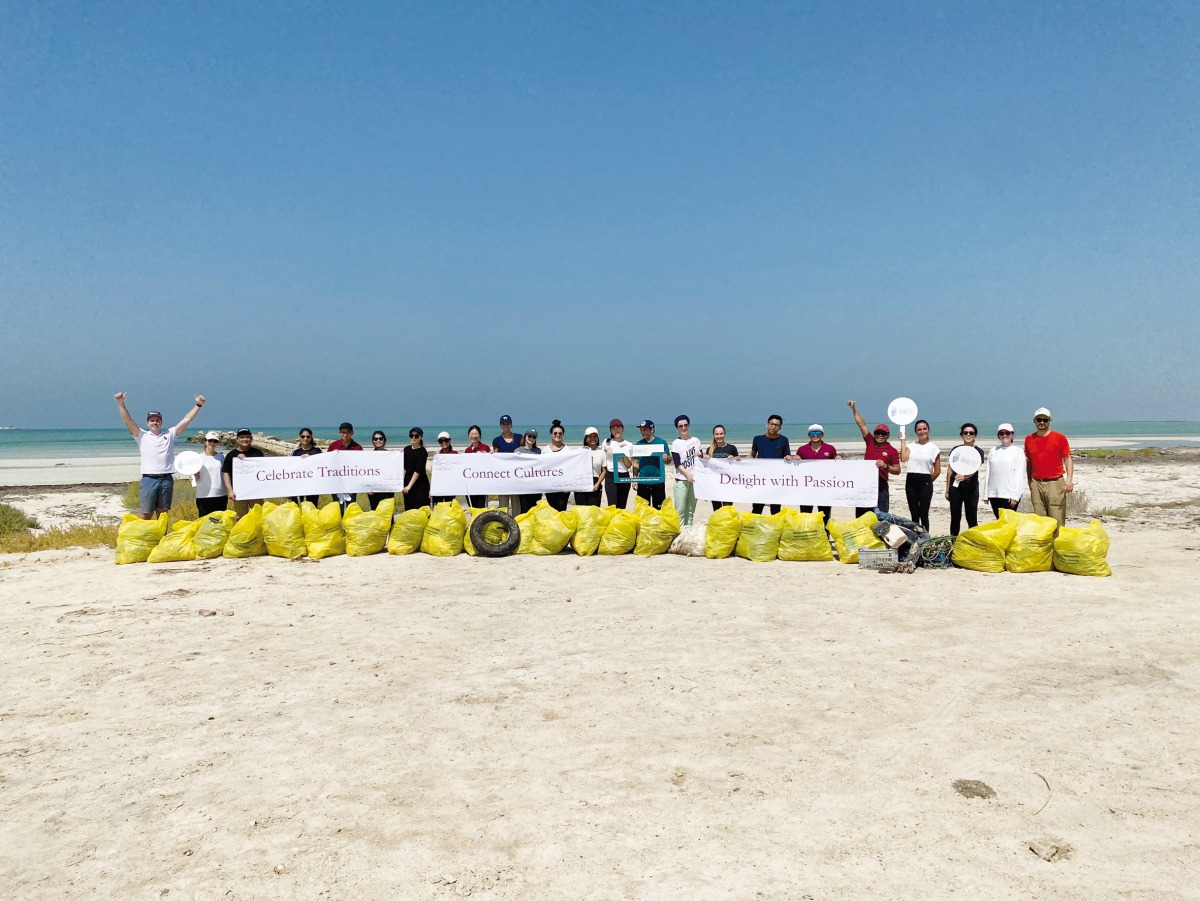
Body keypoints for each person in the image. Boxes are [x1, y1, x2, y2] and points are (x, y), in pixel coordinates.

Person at [114, 391, 207, 519]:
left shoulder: (169, 434)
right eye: (152, 420)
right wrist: (120, 403)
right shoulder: (141, 435)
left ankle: (161, 538)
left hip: (166, 479)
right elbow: (128, 420)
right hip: (148, 479)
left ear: (161, 422)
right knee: (146, 513)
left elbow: (186, 420)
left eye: (157, 420)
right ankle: (146, 538)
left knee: (162, 513)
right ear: (147, 423)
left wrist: (198, 405)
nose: (154, 422)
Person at [848, 401, 901, 517]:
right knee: (862, 517)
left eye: (883, 433)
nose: (880, 435)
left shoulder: (891, 450)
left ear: (888, 435)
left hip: (881, 487)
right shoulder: (870, 442)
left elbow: (897, 470)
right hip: (865, 484)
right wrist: (854, 409)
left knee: (881, 517)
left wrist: (886, 466)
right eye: (878, 433)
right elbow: (862, 425)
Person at [1024, 407, 1073, 527]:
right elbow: (1029, 461)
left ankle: (1057, 543)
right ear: (1034, 421)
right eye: (1039, 419)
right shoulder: (1029, 439)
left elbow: (1067, 459)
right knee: (1040, 519)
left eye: (1045, 420)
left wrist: (1069, 480)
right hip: (1036, 483)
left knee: (1057, 519)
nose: (1042, 422)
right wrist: (1030, 481)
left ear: (1050, 421)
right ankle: (1044, 545)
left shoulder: (1059, 438)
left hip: (1055, 483)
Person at [899, 419, 940, 531]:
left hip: (925, 481)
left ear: (928, 430)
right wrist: (903, 441)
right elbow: (903, 458)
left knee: (924, 513)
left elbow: (937, 471)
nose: (922, 431)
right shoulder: (911, 446)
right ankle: (916, 538)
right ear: (916, 432)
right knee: (914, 514)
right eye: (919, 429)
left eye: (924, 429)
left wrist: (928, 481)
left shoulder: (934, 448)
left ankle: (926, 537)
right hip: (911, 481)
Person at [946, 423, 985, 536]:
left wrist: (965, 477)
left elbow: (975, 469)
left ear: (975, 436)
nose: (968, 435)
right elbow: (949, 470)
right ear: (961, 435)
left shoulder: (979, 451)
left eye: (971, 433)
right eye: (965, 433)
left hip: (971, 488)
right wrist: (947, 490)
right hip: (955, 488)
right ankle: (953, 541)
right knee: (955, 516)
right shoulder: (956, 450)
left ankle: (974, 542)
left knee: (971, 516)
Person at [793, 423, 837, 523]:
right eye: (812, 433)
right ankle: (805, 537)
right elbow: (796, 468)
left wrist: (838, 459)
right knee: (805, 515)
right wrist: (794, 459)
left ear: (822, 435)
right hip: (806, 488)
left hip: (824, 487)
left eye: (818, 433)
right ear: (809, 435)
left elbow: (836, 466)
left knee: (825, 515)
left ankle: (825, 537)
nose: (815, 435)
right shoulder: (802, 449)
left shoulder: (830, 448)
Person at [221, 428, 265, 518]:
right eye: (241, 437)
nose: (244, 439)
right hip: (239, 492)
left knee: (258, 516)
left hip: (255, 491)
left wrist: (247, 460)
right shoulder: (230, 455)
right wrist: (230, 490)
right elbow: (226, 473)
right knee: (242, 517)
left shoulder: (258, 453)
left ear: (251, 439)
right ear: (237, 439)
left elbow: (264, 470)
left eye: (247, 437)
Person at [750, 414, 790, 515]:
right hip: (760, 479)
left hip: (776, 480)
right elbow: (752, 455)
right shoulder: (758, 439)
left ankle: (775, 530)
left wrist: (791, 458)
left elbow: (787, 456)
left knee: (776, 509)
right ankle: (755, 529)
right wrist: (738, 460)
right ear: (767, 424)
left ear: (780, 427)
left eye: (777, 425)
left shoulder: (784, 440)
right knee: (757, 508)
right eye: (772, 424)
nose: (774, 427)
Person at [986, 423, 1024, 518]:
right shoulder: (993, 450)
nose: (1004, 435)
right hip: (994, 494)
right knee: (999, 521)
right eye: (1001, 433)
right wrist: (985, 494)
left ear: (1012, 435)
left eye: (1007, 433)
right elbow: (988, 473)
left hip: (1009, 494)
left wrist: (1015, 495)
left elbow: (1019, 475)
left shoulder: (1018, 451)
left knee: (1008, 522)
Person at [670, 415, 702, 525]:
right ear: (677, 428)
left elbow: (701, 459)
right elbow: (677, 463)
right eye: (680, 426)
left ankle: (688, 534)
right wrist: (687, 474)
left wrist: (701, 454)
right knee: (680, 511)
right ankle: (680, 534)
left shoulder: (696, 441)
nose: (683, 428)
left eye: (685, 425)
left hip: (695, 480)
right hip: (681, 480)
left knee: (690, 510)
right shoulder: (676, 443)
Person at [632, 420, 669, 510]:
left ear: (652, 429)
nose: (642, 432)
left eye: (645, 429)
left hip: (658, 482)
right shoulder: (639, 444)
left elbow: (668, 461)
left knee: (659, 511)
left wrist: (666, 458)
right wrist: (634, 479)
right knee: (643, 512)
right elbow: (636, 462)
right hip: (643, 482)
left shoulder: (662, 442)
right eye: (641, 430)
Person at [326, 422, 363, 512]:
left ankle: (349, 525)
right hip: (336, 481)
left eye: (348, 432)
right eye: (343, 432)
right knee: (337, 506)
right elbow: (327, 463)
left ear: (352, 433)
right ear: (340, 433)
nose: (345, 434)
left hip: (352, 482)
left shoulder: (358, 447)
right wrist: (332, 455)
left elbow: (361, 465)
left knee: (351, 506)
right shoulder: (333, 446)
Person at [705, 424, 740, 511]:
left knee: (727, 509)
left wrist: (734, 458)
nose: (719, 436)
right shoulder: (709, 449)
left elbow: (738, 464)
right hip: (714, 485)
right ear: (714, 435)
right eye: (717, 434)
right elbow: (706, 467)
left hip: (728, 484)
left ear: (725, 434)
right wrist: (703, 457)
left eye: (721, 434)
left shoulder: (732, 448)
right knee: (716, 510)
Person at [193, 431, 227, 518]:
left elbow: (226, 473)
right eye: (210, 440)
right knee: (205, 522)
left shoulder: (221, 457)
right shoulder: (198, 457)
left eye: (215, 441)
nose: (212, 443)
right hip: (204, 495)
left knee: (219, 522)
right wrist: (193, 477)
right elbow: (193, 474)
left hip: (221, 494)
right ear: (205, 441)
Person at [492, 415, 521, 514]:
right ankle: (503, 526)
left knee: (516, 504)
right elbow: (495, 457)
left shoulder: (519, 438)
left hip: (516, 477)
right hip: (503, 477)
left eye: (508, 423)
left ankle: (517, 524)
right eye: (503, 424)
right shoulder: (497, 440)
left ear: (511, 424)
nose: (506, 426)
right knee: (503, 506)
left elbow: (524, 451)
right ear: (500, 425)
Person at [603, 419, 633, 510]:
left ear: (622, 429)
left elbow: (628, 465)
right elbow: (602, 460)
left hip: (624, 475)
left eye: (618, 427)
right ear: (611, 430)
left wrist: (622, 456)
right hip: (610, 475)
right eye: (613, 428)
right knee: (612, 506)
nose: (616, 430)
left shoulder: (629, 444)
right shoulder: (606, 442)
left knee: (622, 506)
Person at [513, 428, 543, 514]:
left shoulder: (539, 451)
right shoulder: (518, 450)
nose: (531, 438)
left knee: (535, 510)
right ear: (525, 437)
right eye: (529, 436)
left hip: (536, 487)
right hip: (524, 486)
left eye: (534, 437)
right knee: (524, 509)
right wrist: (515, 456)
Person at [290, 428, 322, 506]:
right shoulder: (295, 452)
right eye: (303, 436)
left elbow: (322, 462)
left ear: (311, 438)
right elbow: (290, 468)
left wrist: (311, 457)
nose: (305, 438)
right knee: (296, 507)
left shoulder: (317, 451)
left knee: (312, 507)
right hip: (297, 484)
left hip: (313, 485)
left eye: (308, 437)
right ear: (299, 438)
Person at [544, 420, 571, 511]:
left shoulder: (568, 449)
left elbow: (572, 466)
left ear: (563, 434)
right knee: (552, 510)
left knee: (562, 509)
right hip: (549, 486)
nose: (558, 435)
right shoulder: (545, 450)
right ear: (551, 434)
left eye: (560, 433)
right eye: (555, 433)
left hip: (564, 486)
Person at [402, 427, 431, 511]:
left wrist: (409, 486)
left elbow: (418, 470)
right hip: (407, 478)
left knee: (420, 507)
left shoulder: (422, 451)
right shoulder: (406, 449)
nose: (413, 438)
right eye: (411, 435)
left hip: (420, 483)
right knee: (409, 506)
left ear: (420, 437)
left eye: (416, 436)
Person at [575, 427, 605, 507]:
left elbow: (604, 471)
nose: (593, 438)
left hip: (595, 482)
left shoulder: (602, 452)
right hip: (580, 483)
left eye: (595, 436)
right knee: (581, 511)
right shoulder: (579, 450)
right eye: (590, 437)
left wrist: (598, 483)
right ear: (586, 439)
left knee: (593, 511)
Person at [463, 425, 491, 508]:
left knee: (481, 506)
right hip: (470, 483)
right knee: (472, 506)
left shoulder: (485, 448)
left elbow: (490, 463)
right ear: (468, 435)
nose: (473, 436)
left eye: (476, 434)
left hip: (482, 483)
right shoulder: (467, 450)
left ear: (480, 435)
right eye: (471, 434)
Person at [366, 431, 394, 511]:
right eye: (375, 439)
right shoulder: (368, 456)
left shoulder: (391, 455)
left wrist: (399, 454)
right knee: (375, 510)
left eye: (380, 438)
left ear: (384, 440)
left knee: (387, 511)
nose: (378, 441)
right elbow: (366, 472)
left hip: (387, 488)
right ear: (373, 441)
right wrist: (369, 487)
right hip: (373, 490)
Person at [431, 431, 458, 506]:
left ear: (450, 440)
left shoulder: (455, 454)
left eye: (445, 440)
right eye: (441, 441)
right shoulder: (437, 455)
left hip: (451, 486)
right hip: (439, 485)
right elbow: (435, 473)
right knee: (438, 507)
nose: (443, 443)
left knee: (449, 506)